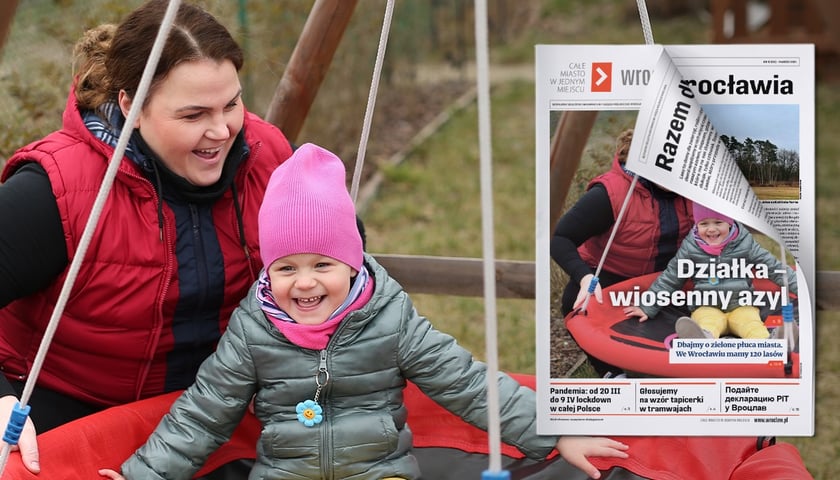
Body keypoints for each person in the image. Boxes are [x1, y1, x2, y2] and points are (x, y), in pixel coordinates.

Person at [98, 143, 630, 480]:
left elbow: (468, 383)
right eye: (285, 269)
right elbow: (204, 412)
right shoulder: (253, 329)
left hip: (379, 471)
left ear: (352, 264)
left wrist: (554, 431)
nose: (304, 283)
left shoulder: (389, 319)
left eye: (322, 265)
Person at [0, 0, 295, 475]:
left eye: (232, 104)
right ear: (129, 106)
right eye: (194, 114)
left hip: (213, 412)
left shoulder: (268, 159)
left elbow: (346, 264)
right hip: (69, 411)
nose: (221, 131)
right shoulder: (58, 192)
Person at [550, 129, 694, 376]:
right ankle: (612, 374)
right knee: (576, 301)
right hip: (613, 276)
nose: (676, 175)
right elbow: (559, 238)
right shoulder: (610, 194)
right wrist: (585, 279)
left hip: (666, 279)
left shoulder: (694, 192)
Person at [624, 203, 798, 340]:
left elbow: (774, 268)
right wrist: (647, 305)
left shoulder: (745, 243)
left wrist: (803, 290)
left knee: (752, 325)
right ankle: (701, 339)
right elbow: (671, 277)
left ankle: (773, 342)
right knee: (707, 322)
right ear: (697, 224)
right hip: (707, 305)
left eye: (718, 223)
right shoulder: (690, 247)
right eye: (704, 223)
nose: (711, 229)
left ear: (729, 223)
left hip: (741, 305)